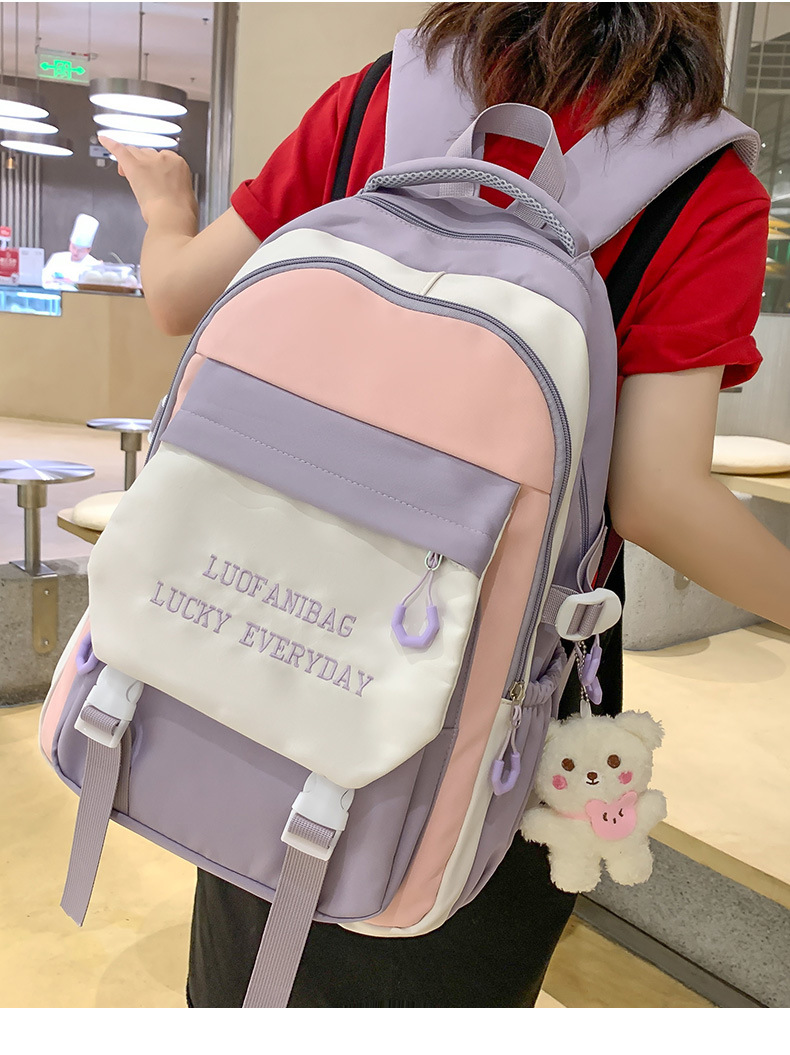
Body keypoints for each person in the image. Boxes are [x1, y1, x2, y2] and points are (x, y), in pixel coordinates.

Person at [99, 3, 789, 1008]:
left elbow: (176, 296)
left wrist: (166, 207)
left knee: (261, 913)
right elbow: (656, 494)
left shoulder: (383, 99)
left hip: (278, 606)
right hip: (502, 663)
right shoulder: (699, 183)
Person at [41, 213, 100, 289]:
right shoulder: (57, 258)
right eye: (73, 247)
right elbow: (43, 278)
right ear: (70, 243)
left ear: (88, 250)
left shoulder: (94, 265)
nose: (75, 252)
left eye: (80, 250)